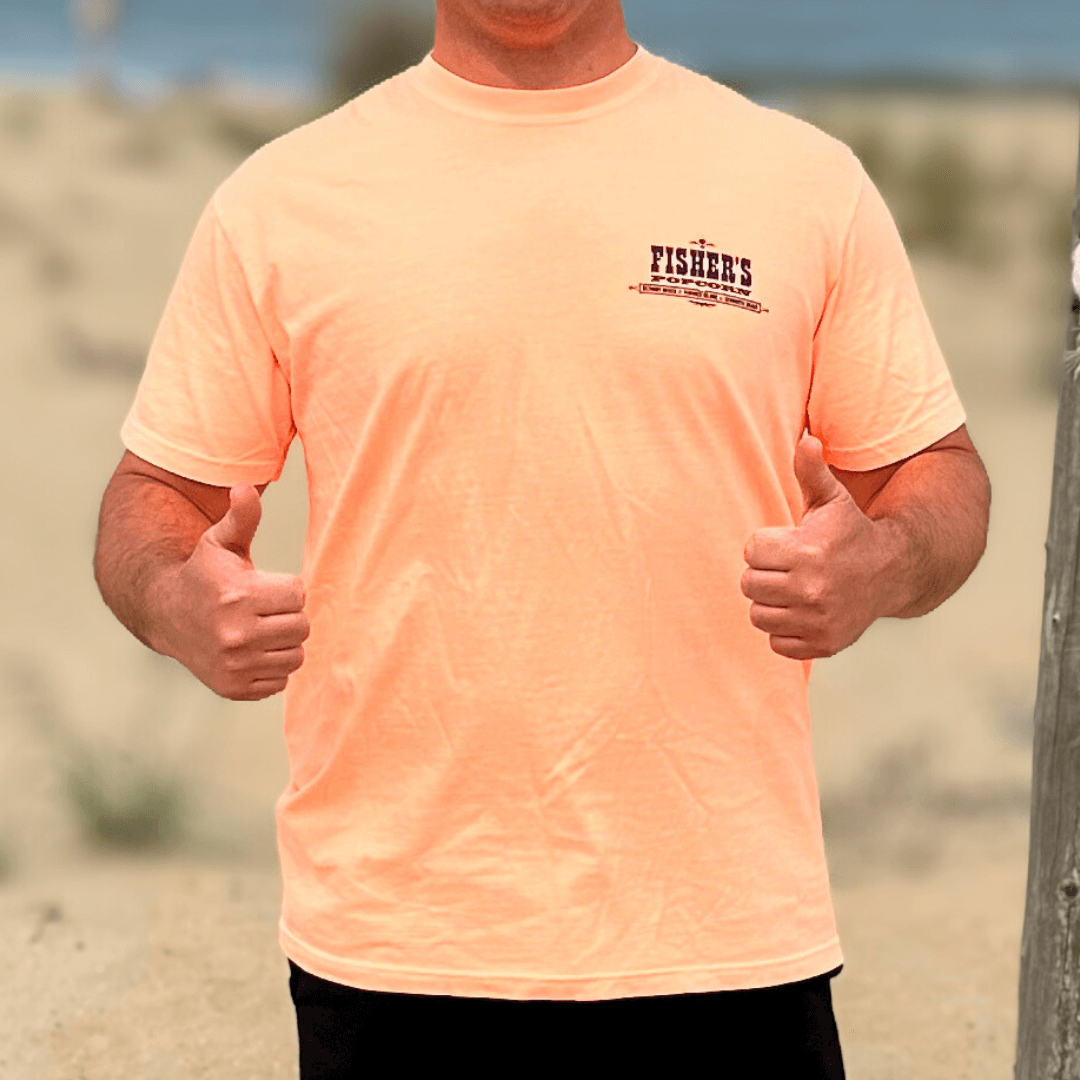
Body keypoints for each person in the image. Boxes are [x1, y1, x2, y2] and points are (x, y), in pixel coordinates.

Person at [92, 1, 991, 1075]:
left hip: (726, 939)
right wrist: (173, 597)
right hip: (394, 946)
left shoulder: (803, 183)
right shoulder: (280, 201)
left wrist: (885, 564)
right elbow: (150, 497)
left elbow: (941, 478)